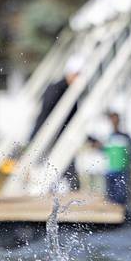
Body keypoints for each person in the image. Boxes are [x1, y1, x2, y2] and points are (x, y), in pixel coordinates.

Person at [30, 55, 84, 190]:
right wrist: (36, 138)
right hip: (48, 137)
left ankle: (72, 191)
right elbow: (45, 115)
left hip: (60, 137)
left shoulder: (70, 91)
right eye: (77, 75)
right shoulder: (56, 89)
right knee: (47, 173)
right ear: (71, 73)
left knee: (67, 172)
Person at [103, 112, 131, 205]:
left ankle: (125, 215)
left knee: (122, 196)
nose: (114, 122)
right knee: (111, 197)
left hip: (123, 170)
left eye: (116, 120)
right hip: (110, 170)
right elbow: (102, 150)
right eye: (112, 120)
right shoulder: (107, 137)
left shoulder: (125, 137)